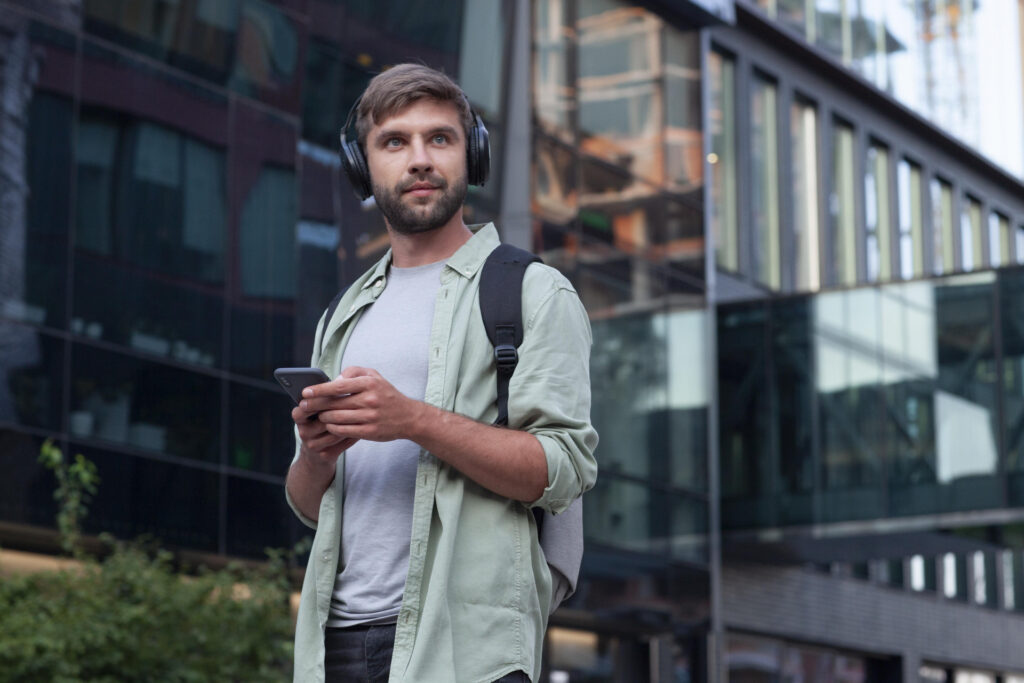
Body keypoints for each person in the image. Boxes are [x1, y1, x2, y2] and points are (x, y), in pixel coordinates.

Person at [285, 63, 598, 683]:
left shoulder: (533, 293)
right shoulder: (343, 315)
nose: (419, 159)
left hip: (466, 649)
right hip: (338, 644)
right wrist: (316, 458)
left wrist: (413, 420)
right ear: (363, 167)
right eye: (395, 142)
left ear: (471, 153)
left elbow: (562, 470)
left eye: (440, 138)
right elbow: (306, 504)